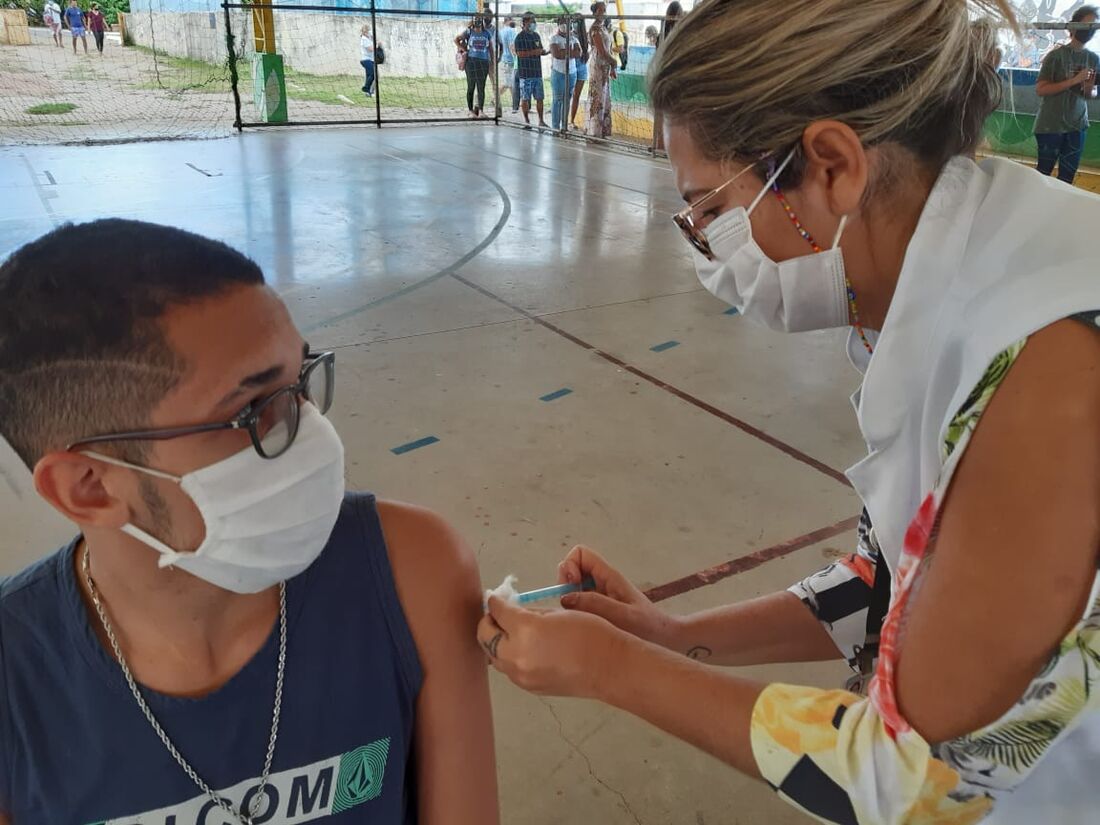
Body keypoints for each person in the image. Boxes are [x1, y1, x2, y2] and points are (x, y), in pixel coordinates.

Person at [478, 1, 1100, 823]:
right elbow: (888, 585)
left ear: (833, 165)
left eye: (709, 212)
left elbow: (913, 772)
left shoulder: (1048, 367)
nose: (708, 251)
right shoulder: (959, 275)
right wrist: (668, 634)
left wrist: (614, 670)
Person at [0, 220, 499, 825]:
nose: (311, 431)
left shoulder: (413, 572)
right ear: (90, 487)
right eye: (254, 410)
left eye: (302, 380)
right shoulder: (19, 680)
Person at [1034, 5, 1099, 184]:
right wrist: (1074, 80)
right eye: (1086, 25)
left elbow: (1091, 94)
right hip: (1050, 126)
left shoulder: (1094, 59)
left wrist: (1088, 88)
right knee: (1042, 176)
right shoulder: (1055, 56)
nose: (1090, 30)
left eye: (1093, 26)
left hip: (1077, 126)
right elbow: (1041, 89)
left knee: (1067, 179)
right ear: (1073, 26)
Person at [652, 1, 684, 152]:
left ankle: (663, 143)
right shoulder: (667, 34)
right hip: (666, 75)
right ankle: (659, 143)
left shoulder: (678, 32)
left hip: (672, 75)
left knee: (670, 112)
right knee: (663, 111)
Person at [586, 2, 616, 138]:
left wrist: (612, 65)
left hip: (605, 66)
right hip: (598, 65)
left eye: (605, 10)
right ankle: (594, 130)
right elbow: (602, 51)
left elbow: (608, 49)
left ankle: (602, 129)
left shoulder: (603, 28)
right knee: (597, 96)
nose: (604, 12)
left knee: (604, 96)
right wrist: (613, 61)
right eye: (602, 10)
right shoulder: (595, 29)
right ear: (596, 12)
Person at [514, 12, 548, 129]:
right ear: (524, 23)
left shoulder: (536, 36)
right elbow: (519, 54)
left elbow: (540, 49)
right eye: (531, 21)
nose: (534, 23)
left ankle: (541, 121)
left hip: (537, 73)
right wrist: (534, 52)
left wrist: (544, 52)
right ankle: (527, 121)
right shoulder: (519, 37)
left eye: (534, 21)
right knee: (525, 98)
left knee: (540, 98)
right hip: (525, 74)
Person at [456, 16, 492, 118]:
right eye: (476, 20)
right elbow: (456, 40)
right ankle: (470, 111)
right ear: (473, 21)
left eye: (480, 20)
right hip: (471, 62)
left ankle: (480, 111)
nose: (478, 22)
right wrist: (463, 49)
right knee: (471, 86)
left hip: (484, 62)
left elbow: (491, 48)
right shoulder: (468, 32)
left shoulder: (486, 33)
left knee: (481, 87)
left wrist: (493, 60)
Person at [550, 15, 581, 131]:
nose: (566, 25)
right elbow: (557, 55)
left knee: (567, 100)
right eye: (563, 22)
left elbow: (579, 53)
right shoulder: (554, 38)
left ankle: (564, 127)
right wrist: (570, 52)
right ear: (559, 25)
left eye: (568, 22)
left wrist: (564, 51)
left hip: (572, 73)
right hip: (558, 73)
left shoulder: (574, 39)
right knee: (557, 100)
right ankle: (555, 127)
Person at [570, 14, 589, 129]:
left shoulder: (585, 36)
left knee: (576, 95)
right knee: (568, 94)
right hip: (571, 65)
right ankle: (566, 119)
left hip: (581, 66)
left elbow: (587, 53)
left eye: (576, 21)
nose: (574, 24)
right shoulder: (569, 35)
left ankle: (571, 120)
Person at [499, 16, 520, 114]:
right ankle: (495, 97)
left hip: (504, 59)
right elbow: (512, 46)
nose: (514, 22)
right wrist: (517, 56)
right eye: (512, 20)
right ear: (508, 21)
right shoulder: (511, 31)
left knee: (512, 84)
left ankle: (515, 105)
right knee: (509, 83)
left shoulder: (501, 31)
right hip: (511, 60)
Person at [359, 24, 376, 96]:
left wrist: (373, 38)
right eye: (369, 31)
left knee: (369, 75)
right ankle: (366, 87)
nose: (370, 32)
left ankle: (368, 92)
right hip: (366, 60)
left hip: (371, 60)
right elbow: (371, 49)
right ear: (365, 32)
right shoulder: (364, 39)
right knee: (373, 74)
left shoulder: (368, 38)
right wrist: (377, 45)